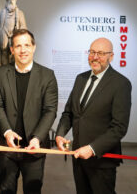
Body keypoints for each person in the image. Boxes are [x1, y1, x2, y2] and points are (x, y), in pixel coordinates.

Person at [56, 37, 132, 194]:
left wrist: (92, 148)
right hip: (78, 157)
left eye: (101, 53)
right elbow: (68, 112)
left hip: (102, 160)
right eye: (92, 52)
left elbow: (119, 127)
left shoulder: (121, 84)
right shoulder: (80, 78)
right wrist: (60, 134)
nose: (95, 57)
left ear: (111, 56)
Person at [0, 29, 58, 194]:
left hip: (34, 148)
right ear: (12, 50)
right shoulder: (0, 74)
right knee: (6, 190)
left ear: (34, 47)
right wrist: (7, 132)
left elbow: (50, 110)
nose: (23, 50)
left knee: (33, 191)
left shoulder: (47, 75)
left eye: (27, 45)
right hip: (7, 147)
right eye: (18, 46)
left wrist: (37, 138)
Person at [0, 0, 27, 76]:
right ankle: (4, 69)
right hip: (4, 33)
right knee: (4, 51)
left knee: (14, 52)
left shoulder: (20, 13)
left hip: (15, 34)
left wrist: (22, 37)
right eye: (10, 0)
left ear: (15, 1)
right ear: (7, 1)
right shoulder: (1, 13)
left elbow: (23, 26)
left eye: (13, 0)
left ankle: (14, 70)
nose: (11, 2)